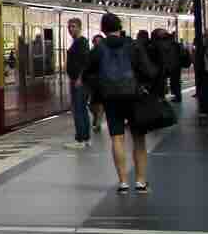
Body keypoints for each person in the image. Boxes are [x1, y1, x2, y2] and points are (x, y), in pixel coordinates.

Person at [87, 12, 159, 194]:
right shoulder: (133, 46)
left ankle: (123, 182)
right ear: (120, 27)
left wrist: (101, 87)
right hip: (133, 96)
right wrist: (144, 86)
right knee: (138, 138)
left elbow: (88, 74)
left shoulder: (98, 48)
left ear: (103, 29)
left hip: (110, 98)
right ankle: (141, 182)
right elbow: (149, 71)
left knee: (117, 138)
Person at [65, 17, 93, 150]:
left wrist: (79, 79)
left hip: (79, 82)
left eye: (73, 26)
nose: (71, 29)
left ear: (79, 27)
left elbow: (85, 62)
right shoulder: (78, 42)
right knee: (82, 109)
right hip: (78, 81)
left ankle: (80, 139)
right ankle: (86, 138)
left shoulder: (81, 42)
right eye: (69, 27)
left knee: (78, 110)